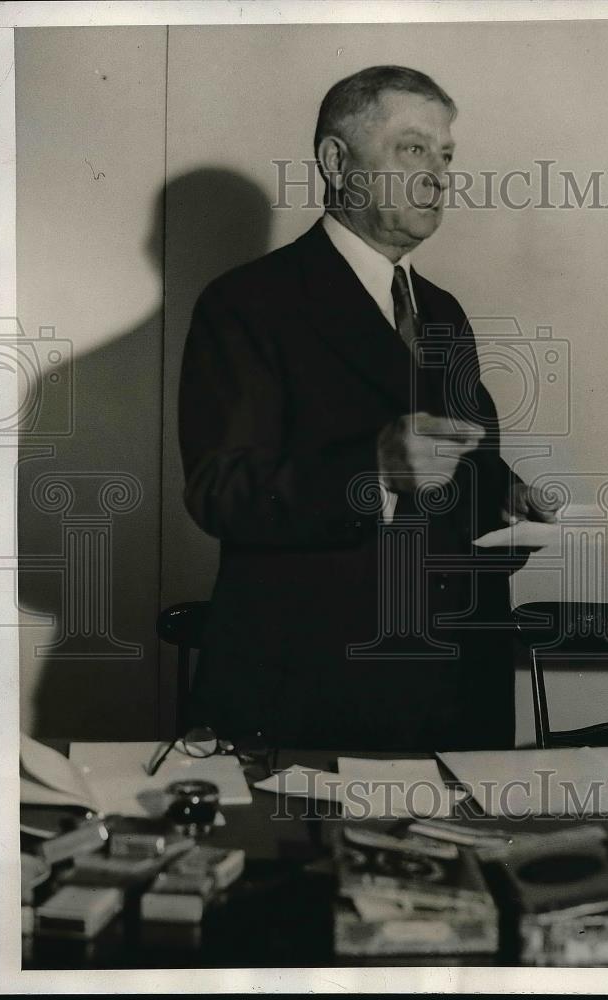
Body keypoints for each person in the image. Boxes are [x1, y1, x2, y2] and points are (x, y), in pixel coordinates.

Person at [178, 65, 556, 751]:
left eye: (445, 156)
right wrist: (372, 471)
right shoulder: (246, 304)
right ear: (335, 161)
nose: (438, 175)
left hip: (453, 688)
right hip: (314, 695)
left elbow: (458, 473)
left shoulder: (440, 312)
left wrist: (505, 498)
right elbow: (219, 492)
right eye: (412, 149)